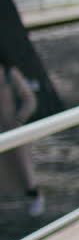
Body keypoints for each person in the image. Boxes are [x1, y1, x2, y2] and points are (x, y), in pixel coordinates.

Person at [0, 54, 42, 217]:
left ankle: (35, 197)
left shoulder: (9, 74)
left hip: (13, 128)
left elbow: (29, 99)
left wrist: (19, 119)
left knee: (23, 168)